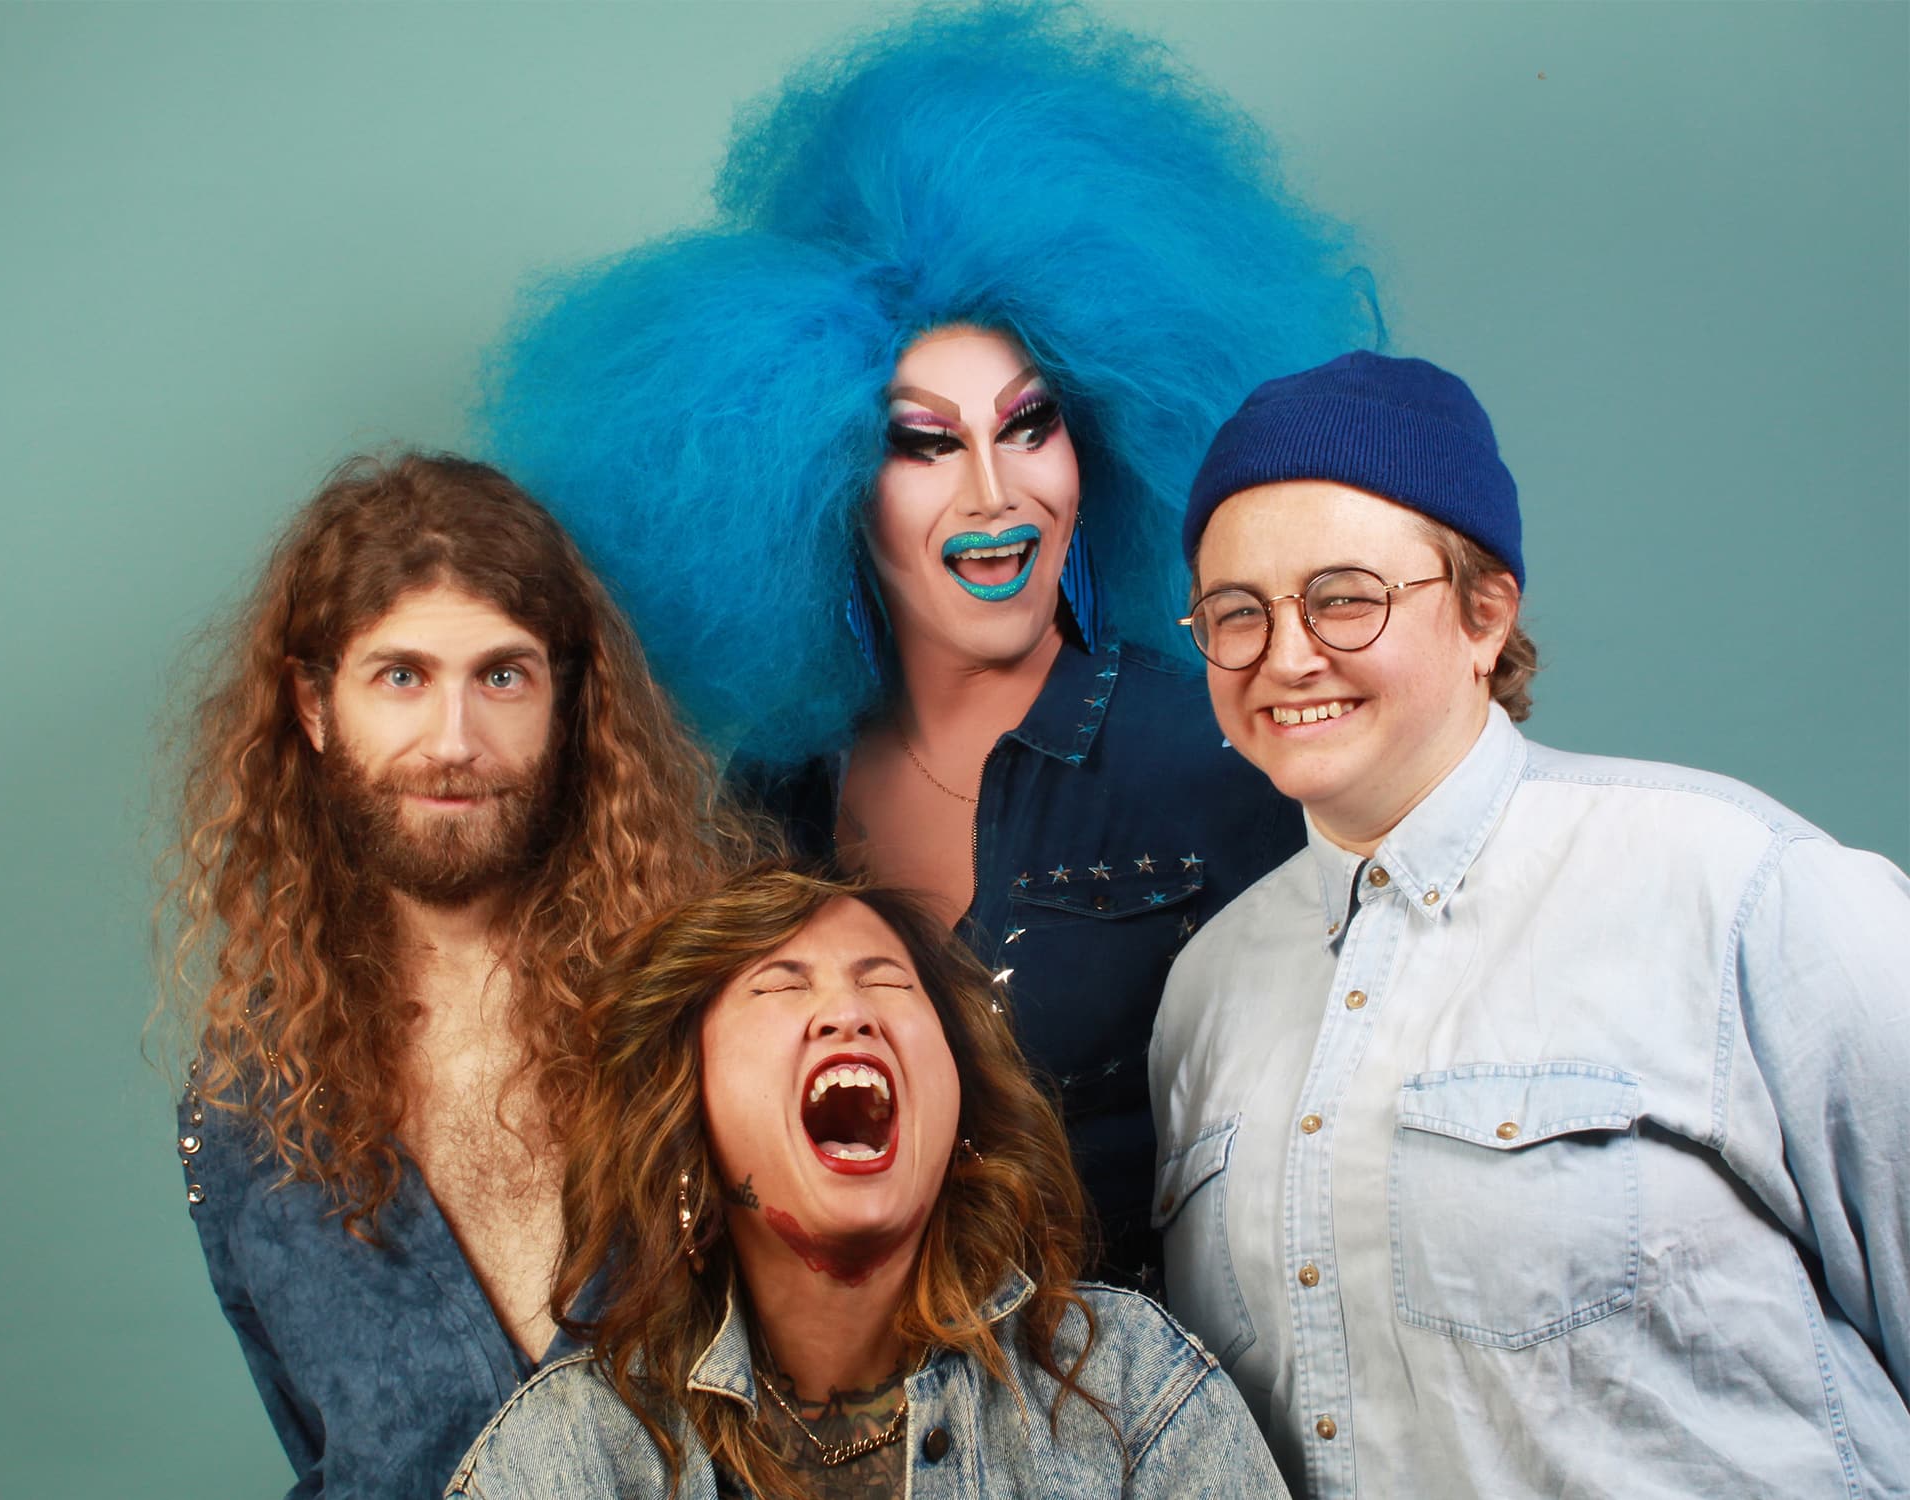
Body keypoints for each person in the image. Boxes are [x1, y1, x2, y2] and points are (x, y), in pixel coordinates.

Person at [480, 1, 1376, 1285]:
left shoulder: (1222, 756)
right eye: (924, 442)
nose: (994, 493)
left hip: (1163, 1388)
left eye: (1028, 425)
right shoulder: (768, 803)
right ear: (824, 483)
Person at [1151, 351, 1910, 1497]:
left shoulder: (1741, 891)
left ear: (1483, 616)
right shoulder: (1205, 992)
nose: (1286, 655)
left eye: (1344, 597)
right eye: (1234, 612)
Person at [157, 452, 752, 1498]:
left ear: (567, 702)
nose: (454, 742)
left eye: (502, 676)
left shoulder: (722, 1008)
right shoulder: (248, 1109)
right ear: (312, 705)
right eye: (402, 677)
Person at [447, 866, 1288, 1499]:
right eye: (781, 987)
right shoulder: (570, 1457)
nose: (849, 1012)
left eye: (886, 982)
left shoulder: (1128, 1388)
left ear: (959, 1111)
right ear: (686, 1121)